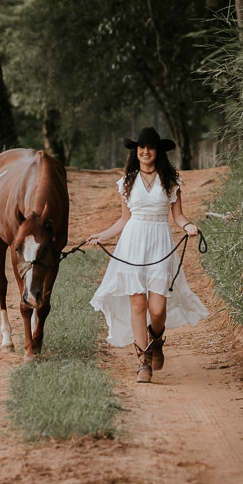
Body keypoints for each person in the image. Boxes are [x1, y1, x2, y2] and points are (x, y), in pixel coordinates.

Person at [86, 127, 208, 383]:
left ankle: (156, 338)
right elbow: (123, 219)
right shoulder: (127, 181)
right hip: (132, 243)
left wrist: (188, 226)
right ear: (136, 151)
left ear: (158, 151)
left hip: (160, 243)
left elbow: (178, 216)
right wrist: (102, 236)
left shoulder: (171, 181)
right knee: (138, 303)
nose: (145, 152)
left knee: (158, 308)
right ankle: (143, 361)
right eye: (141, 147)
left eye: (150, 147)